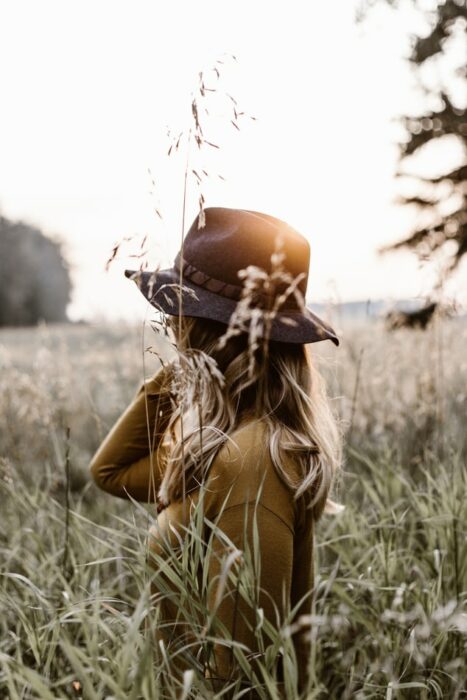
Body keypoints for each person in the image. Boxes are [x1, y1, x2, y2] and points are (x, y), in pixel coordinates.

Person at [89, 207, 342, 698]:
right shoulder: (219, 446)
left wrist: (190, 360)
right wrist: (184, 371)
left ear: (207, 328)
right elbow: (111, 471)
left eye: (179, 312)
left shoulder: (251, 462)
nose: (168, 321)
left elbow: (243, 677)